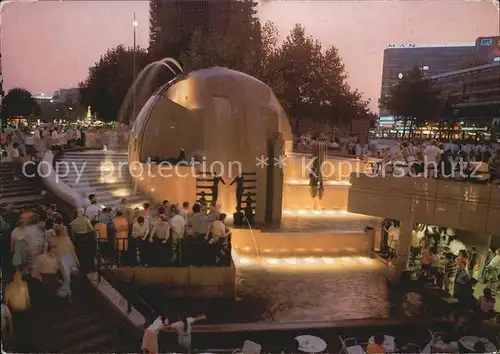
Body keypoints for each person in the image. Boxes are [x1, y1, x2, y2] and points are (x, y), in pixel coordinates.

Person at [54, 223, 79, 303]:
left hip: (62, 259)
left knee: (66, 277)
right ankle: (69, 295)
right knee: (68, 277)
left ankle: (66, 293)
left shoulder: (55, 241)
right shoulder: (67, 239)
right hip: (69, 258)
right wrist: (76, 260)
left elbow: (55, 253)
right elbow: (72, 251)